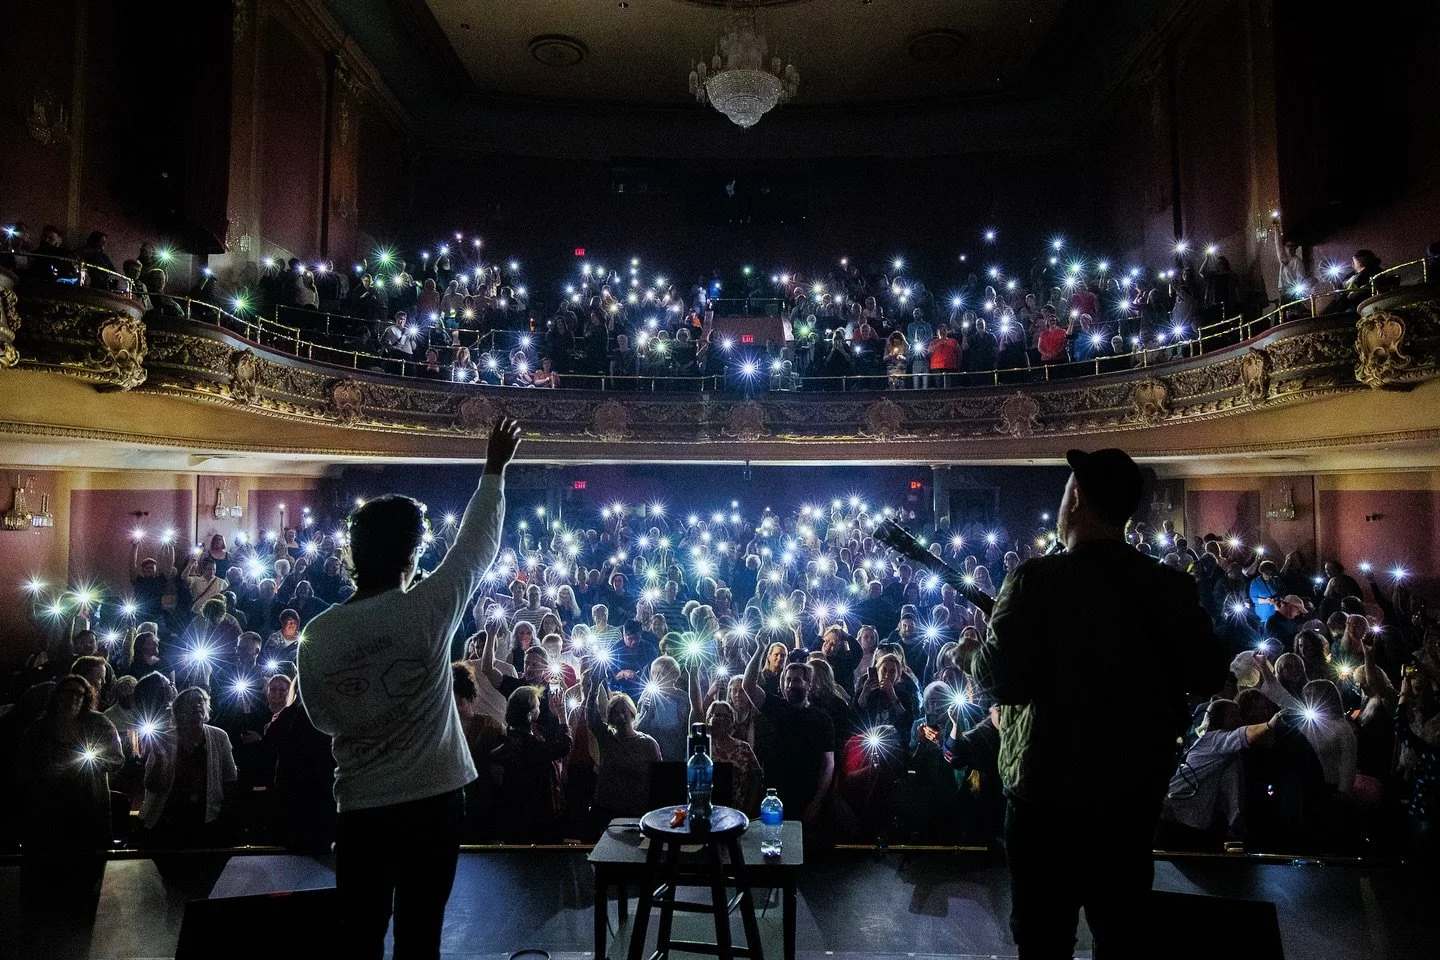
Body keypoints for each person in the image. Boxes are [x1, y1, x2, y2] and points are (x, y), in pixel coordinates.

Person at [972, 448, 1226, 957]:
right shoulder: (1168, 586)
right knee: (1121, 937)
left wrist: (984, 644)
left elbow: (999, 682)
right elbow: (1209, 673)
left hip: (1045, 800)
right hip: (1130, 798)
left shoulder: (1035, 580)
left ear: (1077, 499)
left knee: (1043, 941)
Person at [297, 417, 520, 960]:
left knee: (360, 937)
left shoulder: (318, 634)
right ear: (413, 554)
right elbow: (475, 548)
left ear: (354, 555)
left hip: (361, 805)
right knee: (421, 937)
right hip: (433, 801)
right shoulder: (426, 610)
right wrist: (494, 468)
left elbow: (322, 718)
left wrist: (368, 703)